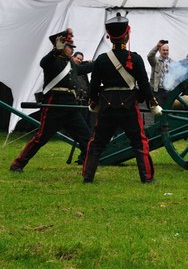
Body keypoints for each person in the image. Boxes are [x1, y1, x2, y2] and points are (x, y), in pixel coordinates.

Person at [82, 13, 162, 183]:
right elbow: (144, 84)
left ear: (109, 36)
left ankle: (88, 176)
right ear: (127, 34)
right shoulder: (136, 58)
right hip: (129, 106)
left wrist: (94, 102)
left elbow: (94, 86)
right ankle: (147, 177)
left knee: (97, 143)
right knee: (139, 142)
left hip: (107, 106)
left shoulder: (102, 60)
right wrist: (152, 103)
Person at [10, 29, 92, 172]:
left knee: (85, 137)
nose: (72, 50)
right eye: (69, 47)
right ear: (60, 46)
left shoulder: (71, 64)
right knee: (40, 138)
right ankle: (17, 164)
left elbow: (84, 69)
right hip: (55, 104)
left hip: (70, 106)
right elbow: (43, 62)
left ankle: (88, 169)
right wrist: (55, 50)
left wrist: (104, 60)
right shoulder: (52, 60)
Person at [72, 51, 95, 128]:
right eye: (78, 58)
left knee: (85, 119)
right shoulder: (69, 68)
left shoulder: (82, 69)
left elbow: (86, 84)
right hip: (74, 99)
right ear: (73, 57)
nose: (79, 60)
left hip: (84, 98)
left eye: (81, 60)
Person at [147, 39, 172, 106]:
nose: (165, 52)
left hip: (168, 91)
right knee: (159, 111)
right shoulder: (156, 61)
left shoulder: (172, 62)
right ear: (160, 51)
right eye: (164, 50)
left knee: (168, 110)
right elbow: (149, 56)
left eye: (167, 50)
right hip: (158, 91)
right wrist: (157, 46)